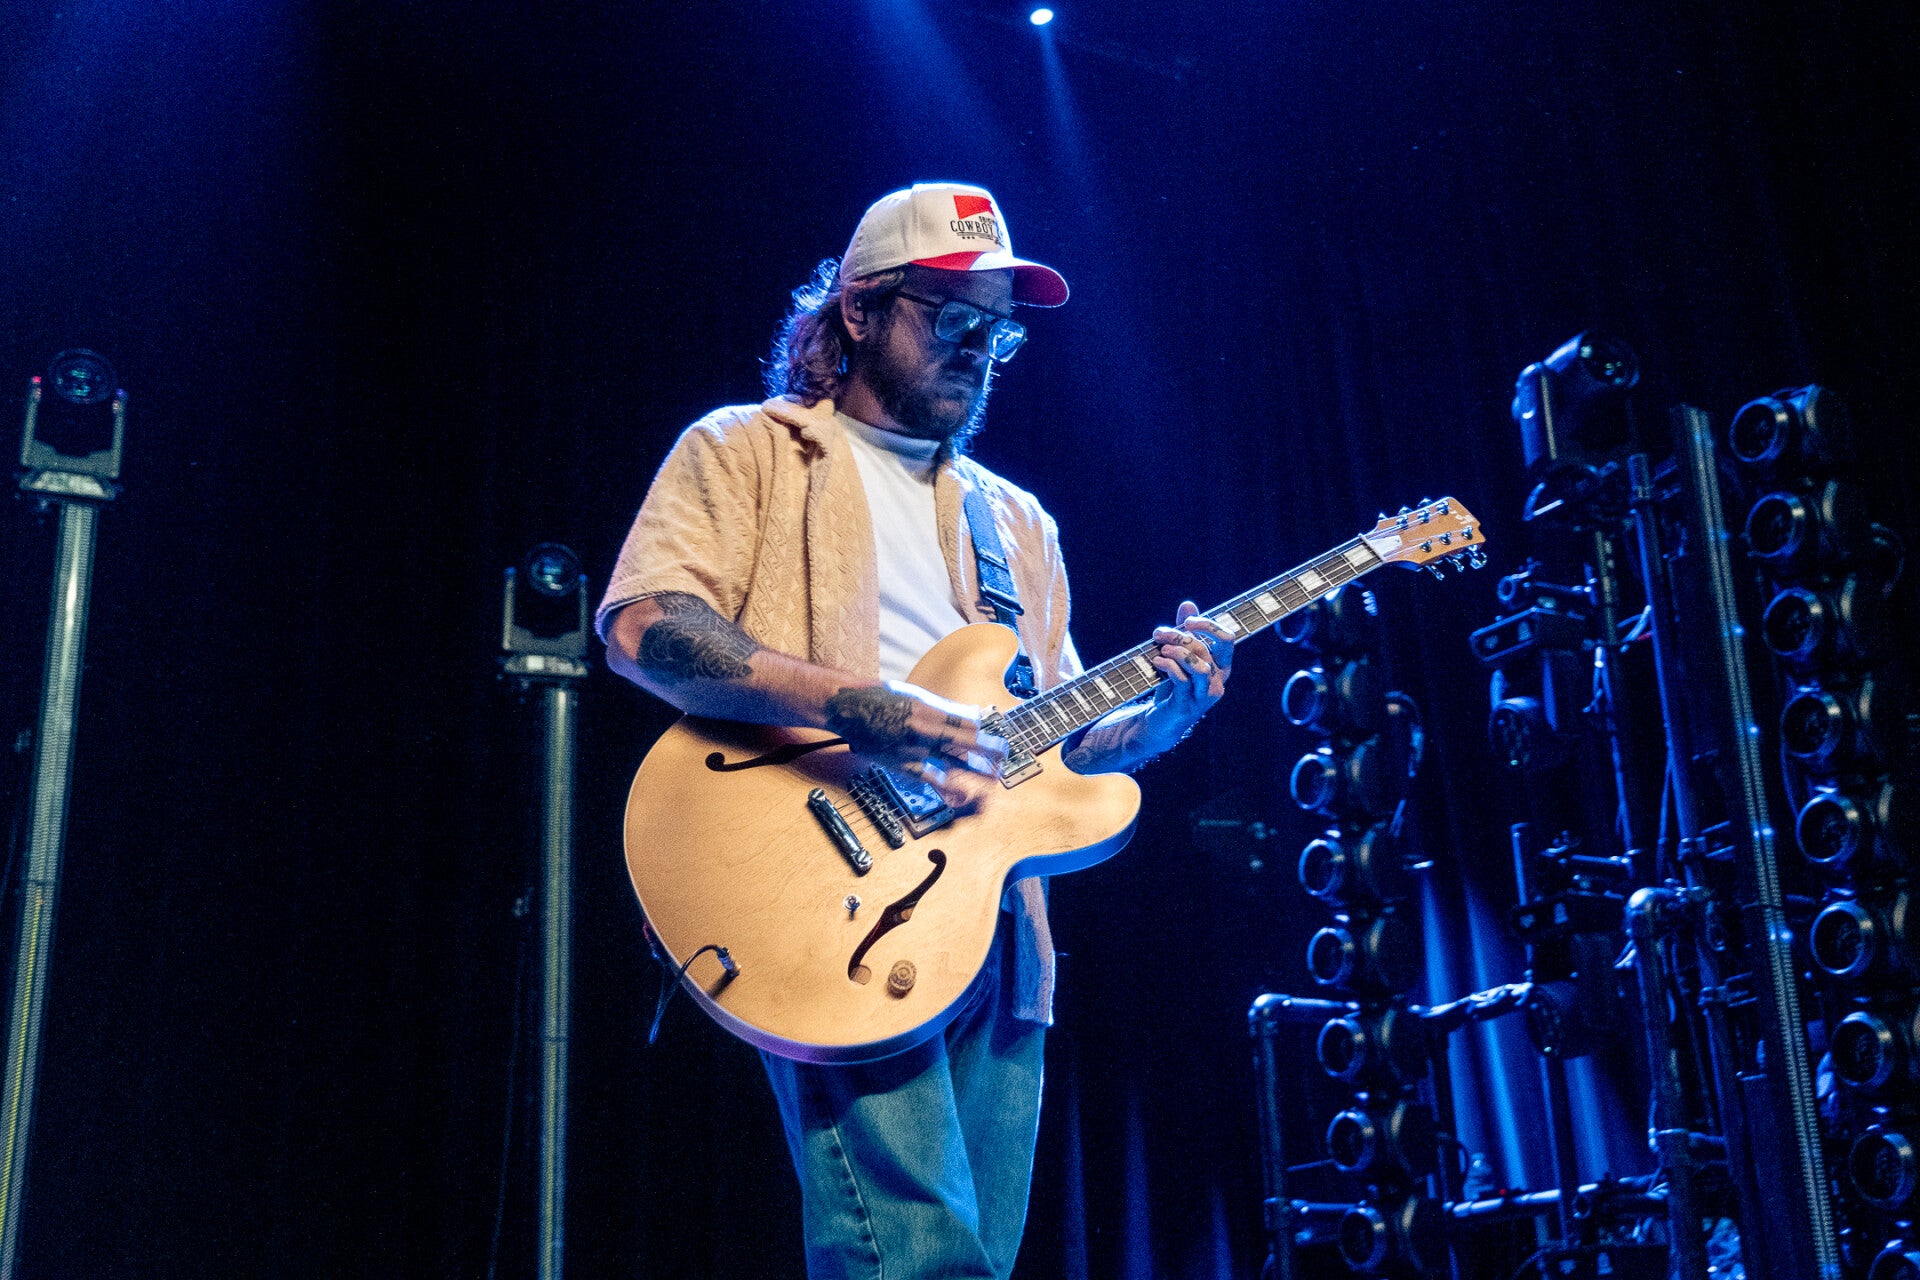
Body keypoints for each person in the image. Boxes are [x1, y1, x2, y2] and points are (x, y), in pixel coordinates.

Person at [597, 182, 1233, 1280]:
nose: (980, 350)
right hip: (830, 886)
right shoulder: (746, 450)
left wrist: (1159, 718)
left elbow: (1060, 741)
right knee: (916, 1257)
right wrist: (858, 705)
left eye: (1000, 332)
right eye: (953, 319)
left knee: (972, 1257)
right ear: (859, 310)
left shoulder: (1018, 522)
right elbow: (646, 625)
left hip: (996, 924)